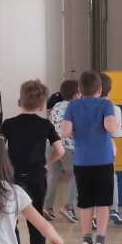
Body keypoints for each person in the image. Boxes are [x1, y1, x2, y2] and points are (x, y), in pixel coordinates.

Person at [0, 79, 64, 244]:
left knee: (10, 219)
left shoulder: (8, 124)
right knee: (36, 219)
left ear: (19, 102)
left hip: (13, 178)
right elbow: (60, 150)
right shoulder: (45, 125)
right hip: (37, 177)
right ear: (42, 106)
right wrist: (46, 160)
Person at [60, 70, 118, 244]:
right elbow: (111, 127)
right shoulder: (105, 104)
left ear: (80, 89)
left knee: (85, 203)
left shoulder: (73, 106)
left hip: (82, 161)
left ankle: (86, 241)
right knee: (102, 203)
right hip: (103, 160)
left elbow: (64, 131)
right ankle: (100, 242)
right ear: (100, 89)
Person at [44, 79, 80, 224]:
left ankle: (47, 206)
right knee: (74, 175)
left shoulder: (57, 105)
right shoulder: (76, 107)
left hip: (51, 143)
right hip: (67, 145)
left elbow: (51, 120)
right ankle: (68, 207)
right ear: (77, 94)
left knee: (52, 176)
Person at [99, 72, 122, 226]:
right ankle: (114, 209)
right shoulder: (114, 109)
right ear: (109, 91)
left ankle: (94, 214)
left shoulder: (84, 107)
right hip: (107, 150)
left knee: (92, 181)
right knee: (111, 178)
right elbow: (115, 132)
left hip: (88, 152)